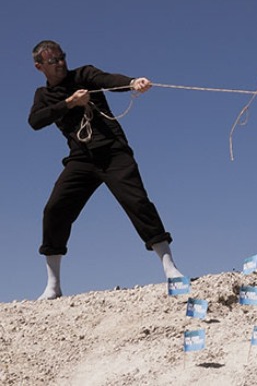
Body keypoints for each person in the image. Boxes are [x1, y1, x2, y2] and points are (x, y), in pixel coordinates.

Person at [28, 40, 183, 300]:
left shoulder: (83, 75)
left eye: (62, 57)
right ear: (39, 66)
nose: (60, 63)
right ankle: (53, 285)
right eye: (53, 61)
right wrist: (69, 103)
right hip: (80, 159)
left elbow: (109, 80)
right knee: (55, 210)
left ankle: (170, 269)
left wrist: (132, 82)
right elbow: (35, 121)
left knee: (137, 202)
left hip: (113, 152)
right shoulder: (42, 95)